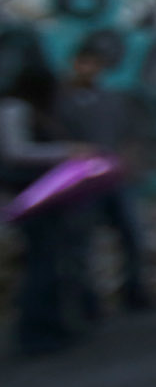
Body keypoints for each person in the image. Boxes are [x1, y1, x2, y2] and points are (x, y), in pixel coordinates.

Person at [2, 62, 98, 356]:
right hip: (30, 198)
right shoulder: (14, 108)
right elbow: (15, 152)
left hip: (46, 198)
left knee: (53, 265)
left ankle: (53, 326)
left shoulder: (35, 110)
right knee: (41, 267)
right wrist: (65, 152)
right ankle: (36, 333)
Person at [57, 44, 154, 312]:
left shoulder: (112, 100)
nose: (88, 69)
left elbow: (129, 135)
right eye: (83, 63)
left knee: (132, 235)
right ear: (74, 65)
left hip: (115, 179)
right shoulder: (61, 102)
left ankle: (134, 290)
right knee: (82, 243)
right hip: (80, 182)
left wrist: (130, 163)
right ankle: (87, 300)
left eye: (93, 64)